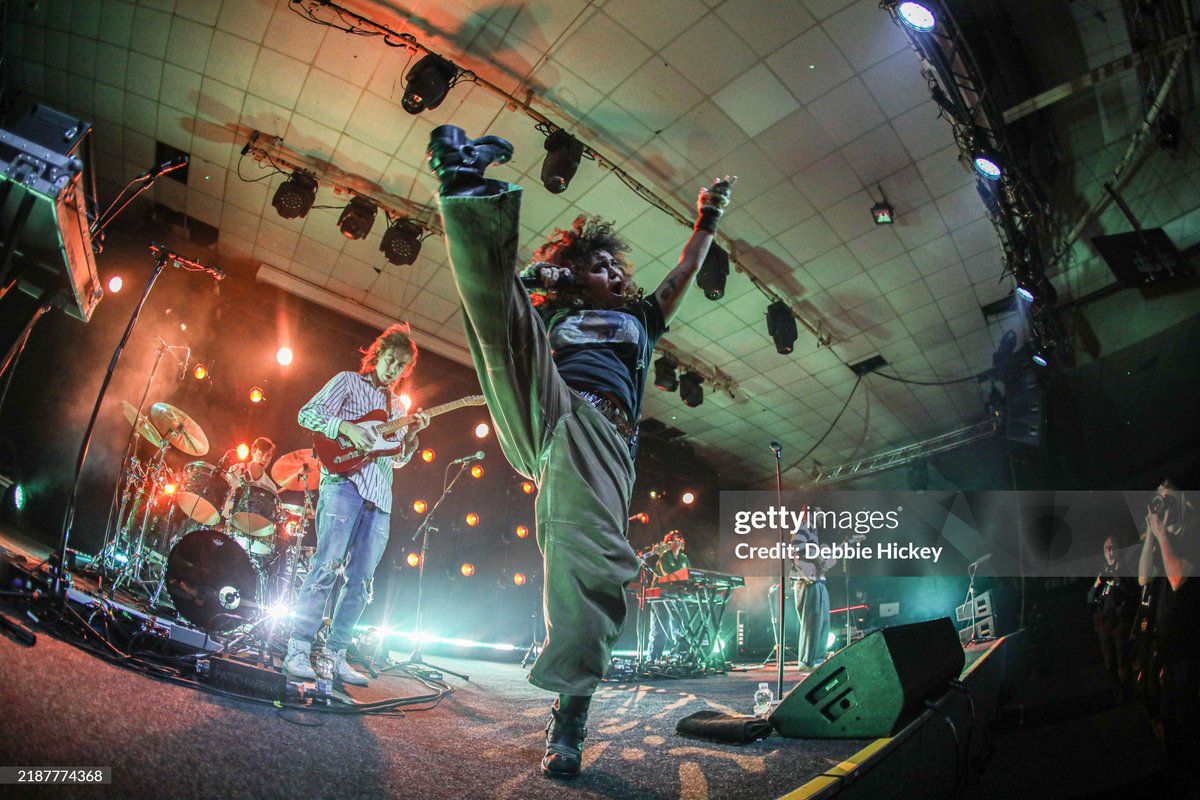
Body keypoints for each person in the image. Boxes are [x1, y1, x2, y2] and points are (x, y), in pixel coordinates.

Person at [427, 123, 733, 778]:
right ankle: (464, 183)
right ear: (575, 277)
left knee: (585, 571)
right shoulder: (555, 314)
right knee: (499, 313)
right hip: (550, 404)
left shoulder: (642, 319)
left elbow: (681, 272)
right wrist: (539, 277)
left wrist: (708, 219)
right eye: (601, 266)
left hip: (602, 445)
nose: (617, 272)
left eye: (619, 267)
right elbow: (512, 315)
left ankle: (570, 713)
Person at [283, 324, 430, 687]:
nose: (394, 369)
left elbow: (395, 460)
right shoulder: (348, 381)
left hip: (379, 499)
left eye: (401, 366)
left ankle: (335, 655)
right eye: (390, 360)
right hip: (343, 487)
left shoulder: (396, 406)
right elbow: (308, 414)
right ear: (376, 355)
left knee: (361, 583)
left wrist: (411, 435)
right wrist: (347, 428)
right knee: (326, 566)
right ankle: (299, 646)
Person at [1136, 480, 1199, 774]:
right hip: (1168, 648)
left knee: (1187, 720)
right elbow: (1143, 578)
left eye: (1167, 498)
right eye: (1159, 498)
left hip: (1189, 645)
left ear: (1183, 501)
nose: (1162, 503)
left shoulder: (1190, 535)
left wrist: (1163, 537)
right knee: (1169, 717)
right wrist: (1151, 532)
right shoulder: (1165, 540)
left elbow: (1177, 579)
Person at [1087, 534, 1135, 697]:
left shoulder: (1125, 569)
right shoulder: (1102, 572)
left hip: (1120, 623)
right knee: (1109, 663)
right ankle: (1115, 693)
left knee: (1122, 660)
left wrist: (1118, 582)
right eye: (1106, 547)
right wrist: (1098, 583)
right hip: (1103, 625)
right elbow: (1089, 598)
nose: (1109, 550)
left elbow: (1133, 592)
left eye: (1112, 547)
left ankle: (1127, 694)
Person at [791, 508, 834, 669]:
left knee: (822, 622)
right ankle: (807, 661)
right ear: (811, 512)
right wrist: (817, 558)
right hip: (807, 581)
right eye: (821, 512)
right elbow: (796, 546)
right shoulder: (804, 525)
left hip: (817, 580)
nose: (823, 516)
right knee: (812, 622)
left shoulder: (813, 530)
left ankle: (817, 659)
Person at [648, 531, 690, 663]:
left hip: (675, 595)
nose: (678, 541)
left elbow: (688, 574)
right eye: (675, 539)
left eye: (680, 539)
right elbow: (668, 575)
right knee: (660, 628)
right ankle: (653, 660)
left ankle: (679, 658)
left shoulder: (684, 558)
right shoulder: (664, 557)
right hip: (660, 595)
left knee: (678, 628)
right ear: (669, 543)